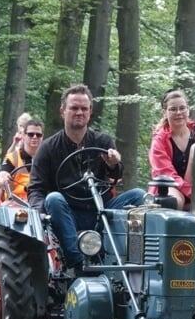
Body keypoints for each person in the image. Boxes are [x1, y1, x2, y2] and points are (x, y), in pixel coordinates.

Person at [27, 84, 145, 275]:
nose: (79, 112)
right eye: (74, 108)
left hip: (102, 210)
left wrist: (114, 164)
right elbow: (36, 189)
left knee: (139, 196)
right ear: (63, 111)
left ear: (90, 112)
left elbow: (116, 177)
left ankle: (133, 260)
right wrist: (41, 217)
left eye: (84, 108)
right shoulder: (48, 148)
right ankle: (78, 264)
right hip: (67, 214)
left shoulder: (103, 142)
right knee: (53, 199)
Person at [148, 89, 195, 210]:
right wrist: (194, 194)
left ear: (188, 109)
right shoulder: (159, 140)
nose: (178, 112)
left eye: (182, 108)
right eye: (173, 109)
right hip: (171, 187)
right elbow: (167, 175)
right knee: (173, 201)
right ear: (165, 112)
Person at [0, 118, 44, 201]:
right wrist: (2, 179)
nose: (35, 137)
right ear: (24, 136)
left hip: (40, 202)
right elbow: (1, 175)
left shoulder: (47, 158)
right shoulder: (12, 157)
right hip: (16, 203)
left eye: (38, 135)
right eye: (31, 134)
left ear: (42, 137)